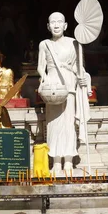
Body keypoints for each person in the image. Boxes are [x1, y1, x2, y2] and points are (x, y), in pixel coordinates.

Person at [37, 12, 91, 174]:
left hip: (69, 83)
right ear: (48, 26)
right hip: (52, 84)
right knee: (53, 124)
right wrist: (45, 79)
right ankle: (55, 161)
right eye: (52, 22)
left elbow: (78, 68)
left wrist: (83, 79)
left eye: (59, 22)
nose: (56, 25)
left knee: (68, 124)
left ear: (65, 25)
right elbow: (41, 66)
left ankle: (68, 159)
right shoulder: (44, 44)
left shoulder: (75, 43)